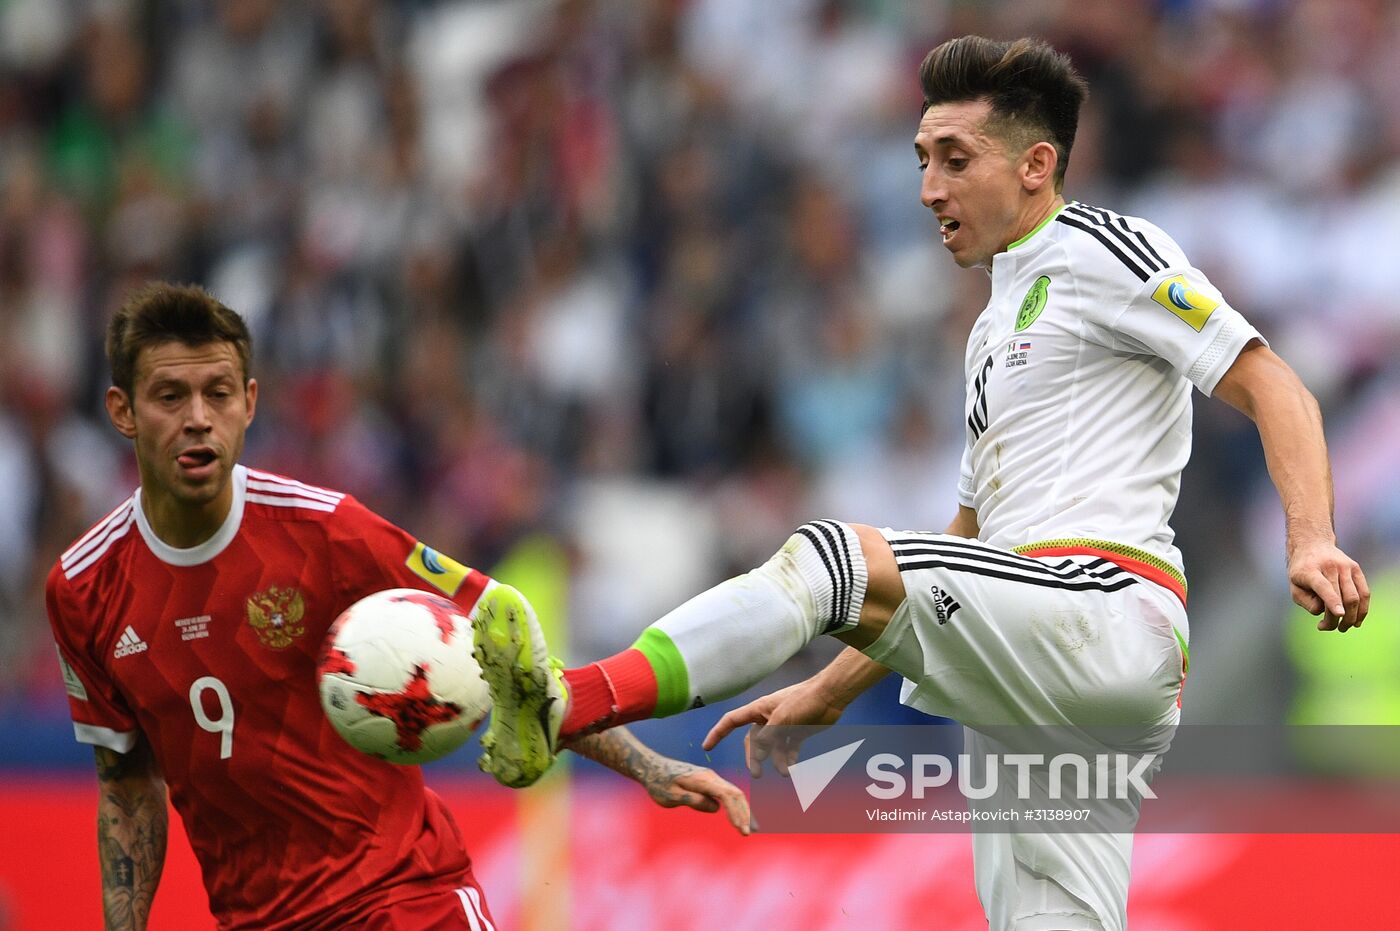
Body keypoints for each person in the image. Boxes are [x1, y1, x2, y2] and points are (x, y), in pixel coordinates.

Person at [470, 35, 1370, 931]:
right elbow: (966, 542)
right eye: (921, 161)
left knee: (827, 557)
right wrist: (826, 692)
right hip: (1028, 662)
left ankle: (569, 697)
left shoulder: (1105, 247)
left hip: (1102, 610)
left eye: (954, 159)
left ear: (1036, 166)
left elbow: (1271, 381)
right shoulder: (988, 338)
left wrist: (1312, 536)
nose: (929, 188)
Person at [46, 282, 750, 931]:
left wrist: (646, 765)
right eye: (171, 396)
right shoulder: (82, 589)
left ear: (250, 402)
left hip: (405, 895)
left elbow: (507, 653)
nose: (198, 419)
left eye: (218, 393)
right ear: (123, 412)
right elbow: (127, 781)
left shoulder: (327, 531)